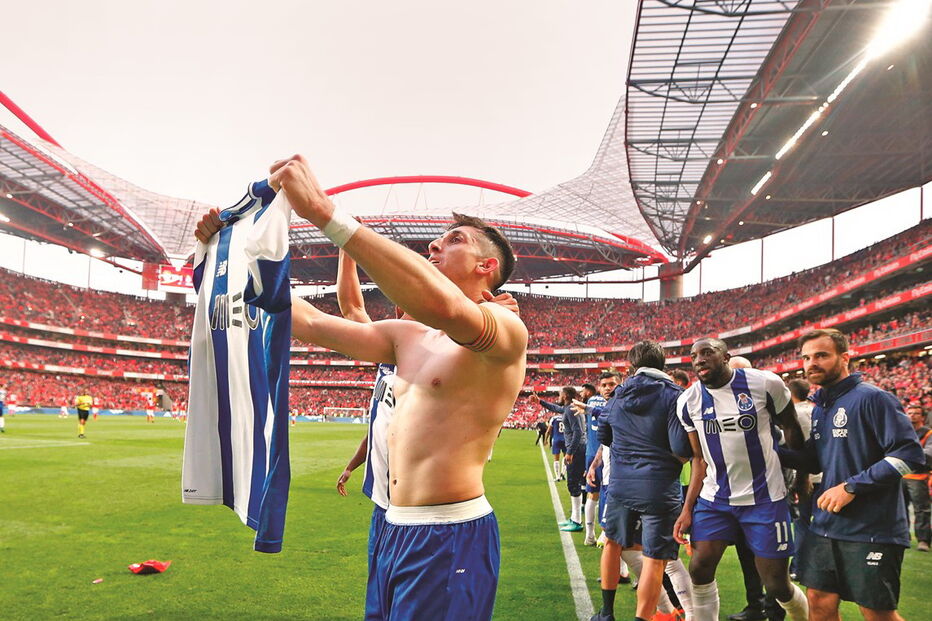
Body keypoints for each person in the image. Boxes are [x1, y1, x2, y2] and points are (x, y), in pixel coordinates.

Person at [196, 154, 527, 621]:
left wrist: (327, 216)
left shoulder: (507, 331)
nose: (435, 245)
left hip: (450, 534)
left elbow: (448, 309)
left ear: (487, 266)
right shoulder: (407, 336)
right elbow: (307, 321)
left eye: (454, 240)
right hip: (392, 526)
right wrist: (228, 258)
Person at [779, 328, 925, 621]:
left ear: (845, 358)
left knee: (876, 612)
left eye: (821, 355)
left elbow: (910, 455)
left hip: (872, 528)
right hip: (825, 525)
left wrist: (851, 487)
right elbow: (815, 461)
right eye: (806, 357)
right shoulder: (822, 407)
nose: (811, 363)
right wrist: (762, 448)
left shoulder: (873, 398)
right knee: (818, 601)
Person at [673, 338, 808, 621]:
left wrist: (801, 476)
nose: (699, 359)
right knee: (699, 568)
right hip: (715, 499)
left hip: (765, 499)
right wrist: (687, 509)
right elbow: (699, 459)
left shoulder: (765, 384)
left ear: (726, 356)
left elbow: (792, 429)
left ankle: (802, 616)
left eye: (707, 352)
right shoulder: (688, 401)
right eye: (694, 355)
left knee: (776, 585)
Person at [590, 341, 693, 621]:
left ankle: (606, 613)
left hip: (622, 484)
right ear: (663, 364)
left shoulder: (617, 395)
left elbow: (605, 437)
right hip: (660, 486)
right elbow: (681, 448)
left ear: (632, 366)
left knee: (612, 543)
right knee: (654, 557)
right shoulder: (675, 395)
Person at [532, 387, 586, 531]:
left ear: (566, 395)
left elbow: (578, 432)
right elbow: (556, 408)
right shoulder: (570, 407)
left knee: (573, 484)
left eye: (560, 394)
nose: (559, 396)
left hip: (577, 450)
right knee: (573, 484)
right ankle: (575, 518)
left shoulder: (570, 409)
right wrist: (540, 402)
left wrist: (570, 451)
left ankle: (577, 521)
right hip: (579, 449)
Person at [903, 403, 932, 552]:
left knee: (921, 509)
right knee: (900, 508)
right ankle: (903, 536)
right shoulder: (902, 431)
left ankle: (923, 540)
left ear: (922, 416)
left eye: (916, 413)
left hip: (918, 476)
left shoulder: (928, 433)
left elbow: (928, 455)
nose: (912, 415)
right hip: (899, 475)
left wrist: (906, 455)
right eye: (910, 412)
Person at [536, 392, 567, 481]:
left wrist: (545, 440)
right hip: (565, 439)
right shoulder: (566, 417)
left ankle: (557, 476)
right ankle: (562, 474)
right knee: (565, 458)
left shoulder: (554, 418)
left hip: (556, 439)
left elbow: (548, 431)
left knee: (556, 459)